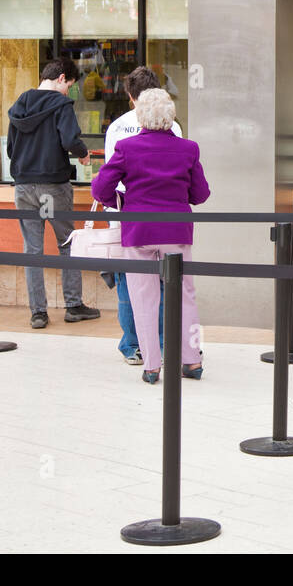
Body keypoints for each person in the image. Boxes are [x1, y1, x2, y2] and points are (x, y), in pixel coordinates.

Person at [91, 88, 210, 384]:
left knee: (143, 298)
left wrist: (121, 201)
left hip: (139, 230)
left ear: (141, 115)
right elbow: (201, 194)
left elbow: (100, 189)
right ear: (171, 115)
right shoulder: (188, 148)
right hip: (176, 231)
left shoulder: (127, 147)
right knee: (185, 295)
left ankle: (152, 365)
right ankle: (192, 361)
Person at [7, 58, 101, 329]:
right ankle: (73, 306)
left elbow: (12, 150)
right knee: (67, 244)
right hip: (52, 187)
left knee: (32, 250)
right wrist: (83, 154)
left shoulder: (20, 104)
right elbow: (70, 140)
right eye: (70, 85)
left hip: (23, 187)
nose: (69, 91)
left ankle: (38, 313)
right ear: (61, 78)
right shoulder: (61, 105)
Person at [103, 66, 182, 365]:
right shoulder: (172, 126)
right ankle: (161, 343)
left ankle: (132, 344)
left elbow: (107, 178)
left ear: (129, 95)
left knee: (128, 282)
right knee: (165, 282)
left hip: (126, 214)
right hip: (167, 217)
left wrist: (116, 203)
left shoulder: (117, 128)